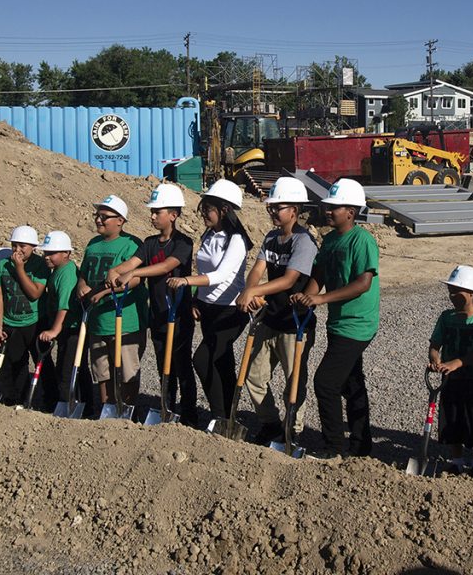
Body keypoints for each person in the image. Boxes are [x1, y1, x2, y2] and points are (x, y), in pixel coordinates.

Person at [292, 178, 379, 458]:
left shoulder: (362, 240)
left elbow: (363, 283)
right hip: (339, 323)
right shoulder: (329, 241)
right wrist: (306, 297)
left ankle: (333, 448)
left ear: (351, 212)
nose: (328, 211)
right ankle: (361, 446)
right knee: (351, 383)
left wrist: (320, 299)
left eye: (334, 208)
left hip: (358, 323)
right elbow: (318, 277)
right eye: (327, 207)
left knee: (325, 382)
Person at [236, 177, 318, 445]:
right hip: (269, 318)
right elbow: (257, 270)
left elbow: (289, 280)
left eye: (277, 208)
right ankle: (270, 423)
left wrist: (255, 292)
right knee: (253, 376)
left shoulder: (303, 241)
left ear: (293, 210)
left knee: (293, 382)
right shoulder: (271, 237)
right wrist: (251, 290)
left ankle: (292, 430)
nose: (272, 212)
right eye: (270, 207)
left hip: (295, 323)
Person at [107, 184, 197, 426]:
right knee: (162, 365)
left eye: (158, 212)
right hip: (157, 314)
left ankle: (189, 415)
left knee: (181, 364)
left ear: (173, 215)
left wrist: (134, 272)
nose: (153, 216)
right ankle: (166, 407)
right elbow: (132, 262)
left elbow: (167, 266)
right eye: (152, 211)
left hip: (178, 315)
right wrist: (115, 270)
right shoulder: (148, 243)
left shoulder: (183, 242)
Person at [166, 180, 251, 421]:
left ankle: (220, 416)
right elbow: (203, 268)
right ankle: (229, 418)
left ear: (224, 209)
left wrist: (186, 282)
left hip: (231, 310)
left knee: (202, 360)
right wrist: (196, 299)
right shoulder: (208, 235)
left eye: (208, 209)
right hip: (208, 308)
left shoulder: (236, 240)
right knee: (222, 364)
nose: (203, 213)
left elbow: (221, 275)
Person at [75, 195, 147, 412]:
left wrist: (105, 292)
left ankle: (127, 410)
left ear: (120, 220)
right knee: (102, 370)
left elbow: (135, 279)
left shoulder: (132, 244)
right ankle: (107, 410)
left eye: (104, 216)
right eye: (97, 215)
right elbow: (84, 273)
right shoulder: (92, 244)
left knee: (127, 371)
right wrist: (81, 285)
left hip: (125, 320)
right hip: (97, 320)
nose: (98, 220)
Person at [427, 265, 473, 480]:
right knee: (452, 419)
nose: (452, 295)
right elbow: (435, 343)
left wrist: (458, 362)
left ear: (472, 293)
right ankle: (456, 461)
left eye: (456, 291)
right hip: (452, 379)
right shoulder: (446, 317)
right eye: (450, 291)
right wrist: (434, 359)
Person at [0, 225, 49, 406]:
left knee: (42, 362)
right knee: (15, 363)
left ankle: (51, 399)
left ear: (33, 247)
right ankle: (16, 400)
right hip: (11, 321)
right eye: (15, 245)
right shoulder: (3, 265)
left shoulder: (40, 265)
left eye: (23, 246)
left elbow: (35, 293)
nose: (18, 250)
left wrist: (20, 269)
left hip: (35, 321)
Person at [37, 231, 81, 412]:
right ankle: (81, 404)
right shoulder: (57, 271)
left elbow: (65, 304)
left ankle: (67, 406)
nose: (47, 257)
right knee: (74, 367)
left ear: (66, 253)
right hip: (65, 327)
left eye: (51, 253)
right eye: (45, 253)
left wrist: (55, 330)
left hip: (71, 327)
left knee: (67, 370)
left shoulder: (67, 274)